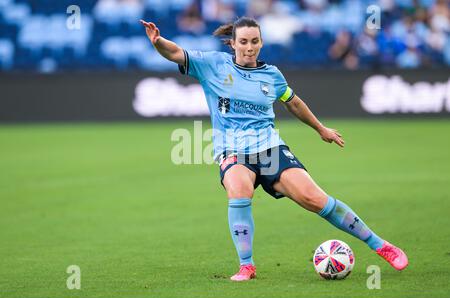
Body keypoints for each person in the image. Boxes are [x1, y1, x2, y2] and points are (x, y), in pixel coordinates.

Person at [140, 17, 408, 281]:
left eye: (254, 41)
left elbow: (293, 103)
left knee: (316, 199)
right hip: (233, 151)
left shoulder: (272, 75)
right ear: (232, 44)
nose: (249, 47)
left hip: (269, 149)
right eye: (243, 42)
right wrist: (157, 41)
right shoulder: (213, 64)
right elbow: (175, 53)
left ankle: (380, 245)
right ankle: (247, 266)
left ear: (261, 43)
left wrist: (321, 129)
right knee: (238, 188)